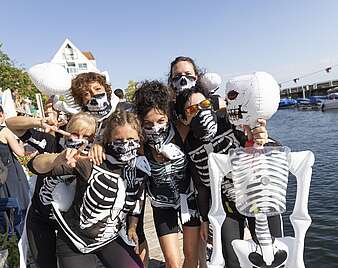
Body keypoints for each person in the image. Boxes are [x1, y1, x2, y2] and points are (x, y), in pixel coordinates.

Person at [175, 86, 283, 268]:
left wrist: (262, 139)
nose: (201, 111)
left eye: (205, 104)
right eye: (193, 109)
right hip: (227, 207)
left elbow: (272, 149)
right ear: (184, 118)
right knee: (232, 260)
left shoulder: (232, 123)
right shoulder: (190, 146)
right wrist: (204, 220)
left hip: (258, 198)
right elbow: (201, 187)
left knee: (272, 255)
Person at [28, 110, 147, 268]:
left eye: (131, 140)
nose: (125, 145)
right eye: (118, 140)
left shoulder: (140, 167)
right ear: (108, 140)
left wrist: (132, 226)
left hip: (110, 238)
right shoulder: (90, 162)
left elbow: (137, 197)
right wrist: (57, 158)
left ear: (140, 139)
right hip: (74, 242)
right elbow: (34, 165)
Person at [6, 112, 96, 268]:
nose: (79, 139)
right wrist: (40, 121)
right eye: (74, 133)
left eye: (86, 136)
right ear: (66, 130)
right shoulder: (50, 143)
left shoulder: (92, 155)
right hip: (40, 218)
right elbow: (10, 124)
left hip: (70, 225)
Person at [133, 80, 200, 268]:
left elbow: (210, 121)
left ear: (168, 116)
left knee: (191, 255)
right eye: (148, 123)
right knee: (172, 261)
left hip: (189, 200)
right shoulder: (139, 141)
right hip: (162, 205)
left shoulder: (181, 129)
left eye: (160, 121)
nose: (155, 127)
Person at [0, 105, 28, 235]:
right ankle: (21, 233)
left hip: (1, 175)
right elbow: (20, 153)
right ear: (1, 115)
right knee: (19, 202)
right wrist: (21, 141)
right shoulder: (4, 131)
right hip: (11, 172)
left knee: (4, 205)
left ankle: (8, 233)